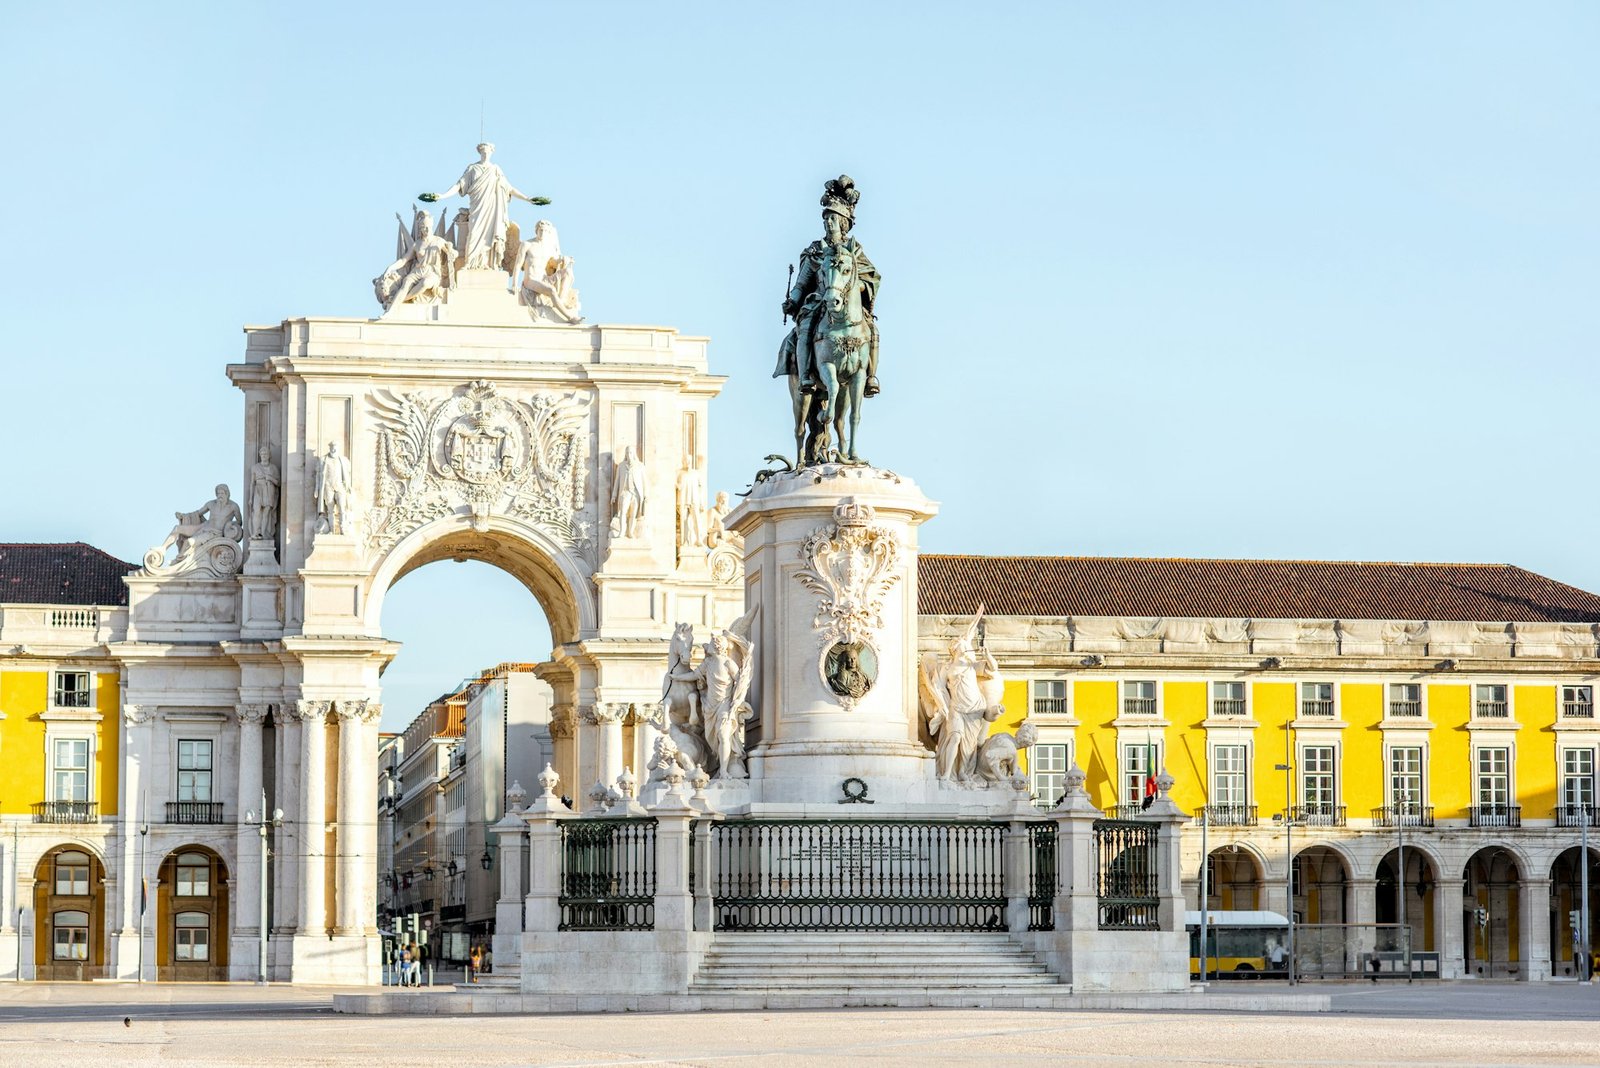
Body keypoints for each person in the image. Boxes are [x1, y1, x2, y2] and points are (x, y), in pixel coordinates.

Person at [775, 175, 881, 396]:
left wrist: (856, 287)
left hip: (847, 304)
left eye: (832, 219)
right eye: (826, 219)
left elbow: (871, 278)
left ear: (843, 222)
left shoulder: (855, 251)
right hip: (819, 302)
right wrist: (793, 300)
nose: (827, 222)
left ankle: (871, 377)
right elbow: (802, 282)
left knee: (872, 330)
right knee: (804, 329)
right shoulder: (815, 250)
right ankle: (805, 376)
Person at [424, 143, 549, 271]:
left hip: (492, 209)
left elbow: (509, 188)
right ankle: (470, 263)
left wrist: (528, 199)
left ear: (492, 152)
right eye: (483, 151)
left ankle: (487, 264)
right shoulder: (472, 169)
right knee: (474, 233)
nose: (485, 153)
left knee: (489, 237)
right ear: (479, 152)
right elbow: (458, 186)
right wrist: (442, 195)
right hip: (477, 208)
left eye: (488, 151)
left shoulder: (495, 170)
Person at [315, 442, 353, 535]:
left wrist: (348, 486)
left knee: (342, 507)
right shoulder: (323, 460)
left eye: (335, 448)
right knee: (330, 510)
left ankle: (343, 528)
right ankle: (332, 530)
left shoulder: (343, 460)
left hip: (340, 486)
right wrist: (317, 489)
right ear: (329, 448)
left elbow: (347, 474)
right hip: (328, 487)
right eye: (332, 447)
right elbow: (318, 476)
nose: (333, 449)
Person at [248, 446, 279, 541]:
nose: (264, 456)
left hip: (269, 490)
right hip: (258, 489)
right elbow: (252, 483)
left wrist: (270, 478)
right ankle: (255, 532)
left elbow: (278, 482)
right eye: (262, 454)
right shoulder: (255, 467)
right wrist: (250, 498)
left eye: (265, 454)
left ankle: (264, 532)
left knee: (266, 513)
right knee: (256, 511)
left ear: (269, 455)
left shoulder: (273, 468)